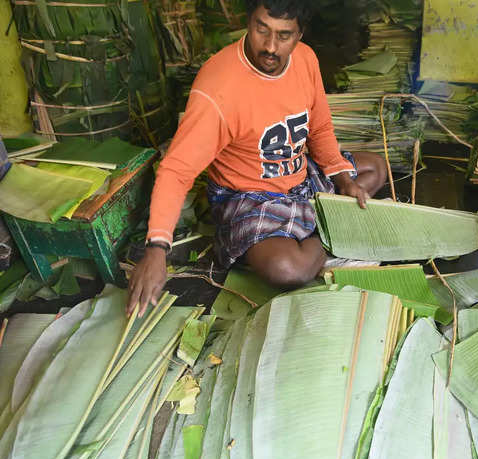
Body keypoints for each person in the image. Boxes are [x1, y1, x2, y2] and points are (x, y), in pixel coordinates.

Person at [126, 0, 387, 317]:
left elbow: (319, 128)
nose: (271, 47)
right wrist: (157, 248)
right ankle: (331, 234)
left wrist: (343, 180)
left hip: (301, 180)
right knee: (287, 269)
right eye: (261, 30)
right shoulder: (218, 86)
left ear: (300, 34)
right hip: (249, 197)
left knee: (374, 168)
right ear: (248, 22)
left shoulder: (305, 60)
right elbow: (177, 170)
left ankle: (320, 236)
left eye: (284, 35)